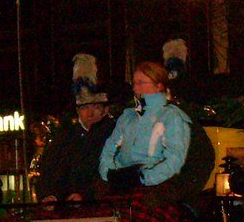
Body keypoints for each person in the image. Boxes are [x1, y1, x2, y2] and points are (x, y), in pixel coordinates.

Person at [98, 60, 193, 196]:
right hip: (119, 181)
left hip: (151, 188)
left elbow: (175, 157)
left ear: (158, 86)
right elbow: (110, 147)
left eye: (141, 83)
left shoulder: (170, 116)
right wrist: (108, 173)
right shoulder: (128, 116)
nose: (135, 88)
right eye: (134, 83)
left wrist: (143, 178)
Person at [37, 54, 115, 203]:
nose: (90, 113)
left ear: (105, 109)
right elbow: (49, 171)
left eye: (96, 107)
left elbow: (113, 176)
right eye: (85, 107)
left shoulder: (115, 135)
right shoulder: (65, 137)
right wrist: (49, 194)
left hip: (101, 206)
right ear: (78, 110)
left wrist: (86, 195)